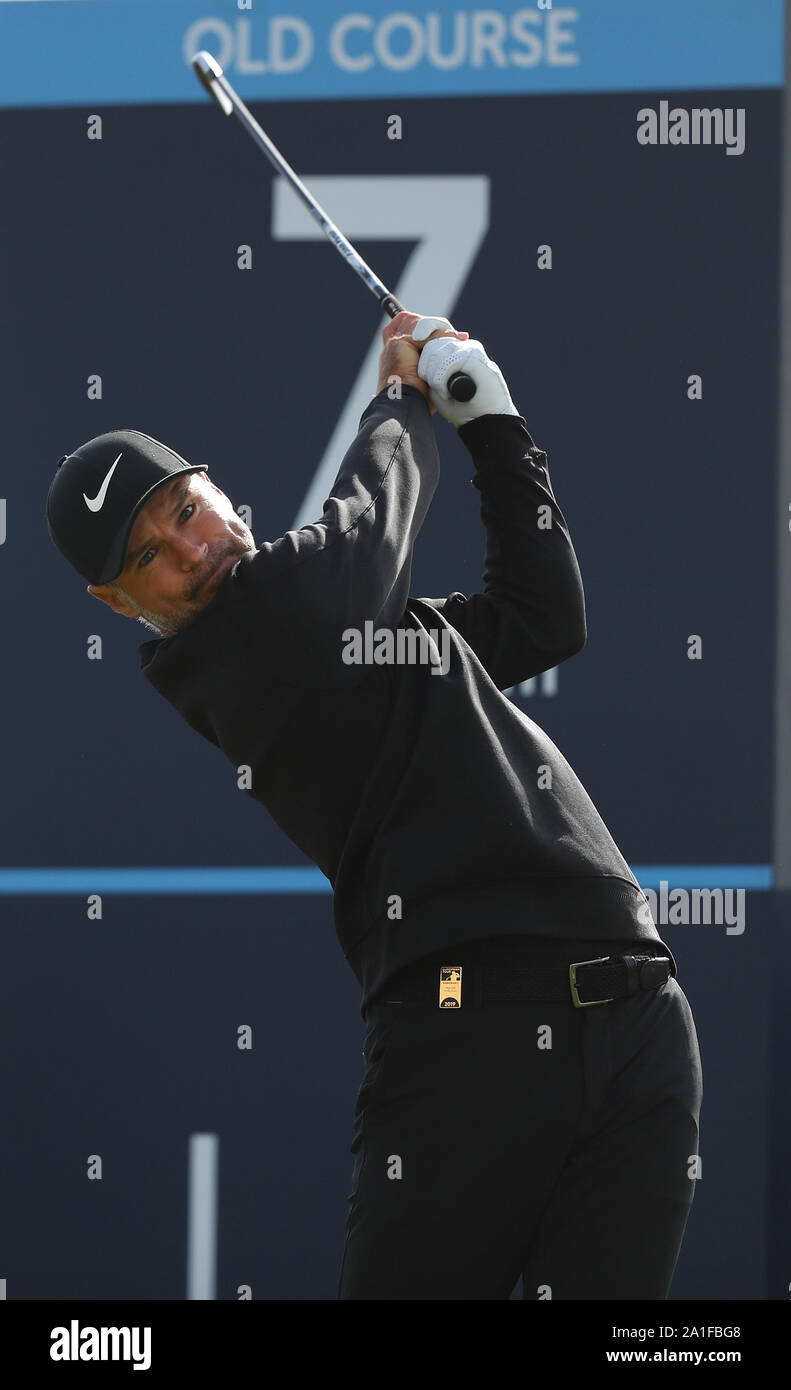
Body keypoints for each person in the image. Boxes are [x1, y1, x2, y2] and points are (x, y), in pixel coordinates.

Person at [45, 310, 703, 1300]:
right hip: (465, 1037)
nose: (188, 550)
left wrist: (490, 418)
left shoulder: (355, 627)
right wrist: (405, 392)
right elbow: (365, 525)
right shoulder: (237, 653)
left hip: (639, 1021)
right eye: (147, 558)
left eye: (184, 510)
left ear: (218, 490)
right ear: (119, 604)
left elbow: (542, 617)